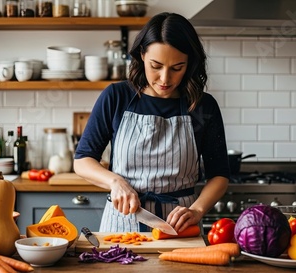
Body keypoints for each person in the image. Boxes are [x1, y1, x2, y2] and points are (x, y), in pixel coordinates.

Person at [73, 12, 230, 233]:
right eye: (156, 66)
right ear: (142, 56)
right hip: (122, 224)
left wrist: (197, 211)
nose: (165, 79)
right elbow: (82, 161)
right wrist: (115, 182)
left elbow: (220, 175)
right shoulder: (116, 97)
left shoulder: (203, 106)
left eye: (177, 68)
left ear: (190, 64)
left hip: (180, 227)